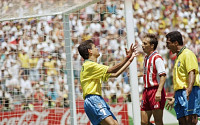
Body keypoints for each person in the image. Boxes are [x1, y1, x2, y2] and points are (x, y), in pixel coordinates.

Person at [78, 39, 138, 125]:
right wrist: (127, 57)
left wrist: (129, 60)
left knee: (115, 124)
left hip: (96, 99)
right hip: (93, 99)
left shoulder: (93, 68)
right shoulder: (89, 65)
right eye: (95, 47)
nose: (97, 48)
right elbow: (112, 69)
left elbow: (116, 74)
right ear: (90, 51)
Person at [165, 31, 200, 125]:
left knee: (191, 121)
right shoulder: (178, 57)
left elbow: (191, 72)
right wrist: (174, 97)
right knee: (182, 122)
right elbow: (179, 79)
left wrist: (189, 89)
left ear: (176, 43)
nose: (166, 46)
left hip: (188, 91)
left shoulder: (187, 54)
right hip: (179, 93)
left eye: (168, 43)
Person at [140, 33, 166, 125]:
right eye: (142, 43)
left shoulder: (157, 58)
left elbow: (163, 75)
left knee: (158, 121)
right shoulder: (146, 58)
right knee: (143, 122)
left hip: (155, 91)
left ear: (152, 46)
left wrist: (159, 91)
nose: (142, 45)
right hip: (146, 91)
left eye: (145, 44)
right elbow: (149, 72)